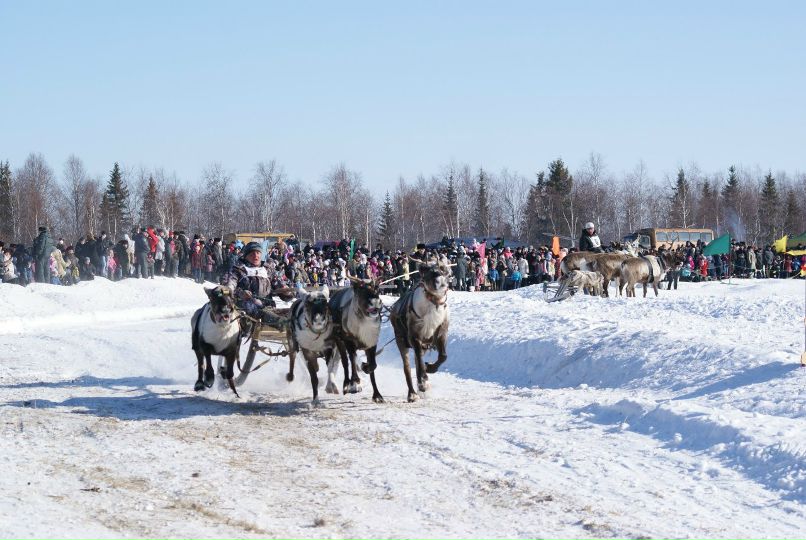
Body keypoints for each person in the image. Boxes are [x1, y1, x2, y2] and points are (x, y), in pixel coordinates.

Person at [222, 242, 291, 331]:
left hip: (269, 307)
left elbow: (277, 284)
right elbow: (227, 289)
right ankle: (283, 323)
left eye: (258, 253)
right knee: (256, 305)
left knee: (295, 310)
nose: (256, 256)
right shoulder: (238, 270)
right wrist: (240, 293)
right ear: (246, 255)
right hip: (246, 309)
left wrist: (285, 291)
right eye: (252, 253)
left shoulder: (267, 269)